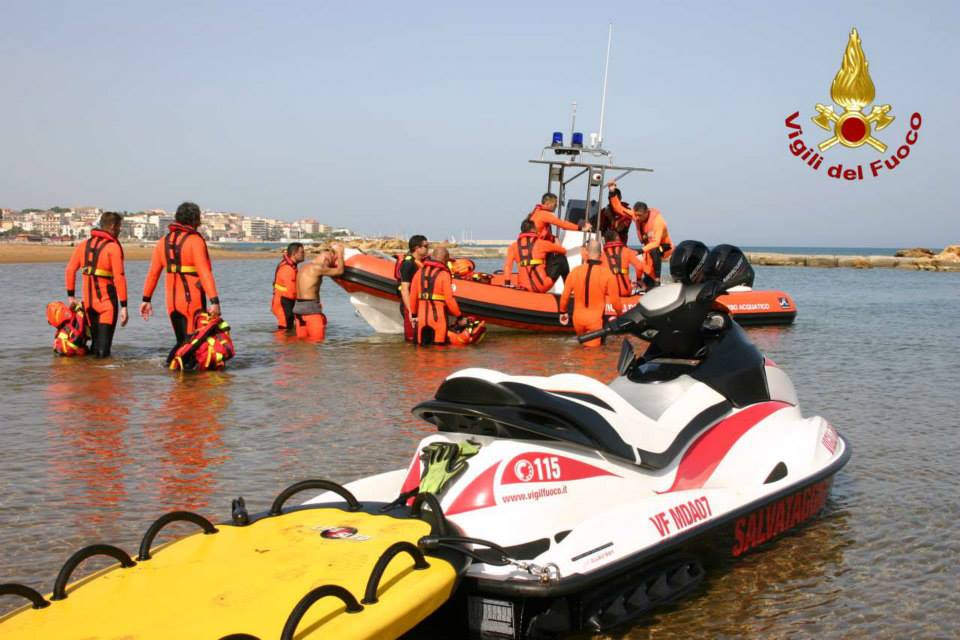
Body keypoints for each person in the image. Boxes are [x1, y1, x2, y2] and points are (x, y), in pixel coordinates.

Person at [141, 202, 220, 347]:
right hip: (191, 301)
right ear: (195, 220)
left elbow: (153, 274)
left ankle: (171, 368)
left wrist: (146, 299)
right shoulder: (195, 241)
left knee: (181, 343)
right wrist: (214, 301)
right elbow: (205, 273)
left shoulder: (163, 242)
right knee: (193, 344)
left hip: (172, 303)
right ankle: (176, 366)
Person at [64, 211, 128, 358]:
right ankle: (103, 379)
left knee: (94, 348)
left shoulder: (83, 245)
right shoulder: (113, 247)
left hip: (89, 306)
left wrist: (71, 297)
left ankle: (91, 378)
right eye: (119, 227)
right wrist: (124, 306)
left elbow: (69, 270)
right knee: (103, 352)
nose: (120, 230)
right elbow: (119, 277)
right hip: (107, 306)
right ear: (112, 226)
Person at [607, 181, 673, 287]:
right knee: (644, 268)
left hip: (664, 248)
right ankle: (643, 282)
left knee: (654, 251)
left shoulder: (658, 221)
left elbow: (656, 243)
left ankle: (657, 281)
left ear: (646, 212)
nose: (636, 218)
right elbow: (618, 208)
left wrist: (640, 250)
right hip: (648, 249)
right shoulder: (636, 216)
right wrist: (612, 191)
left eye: (639, 216)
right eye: (636, 215)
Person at [559, 240, 623, 347]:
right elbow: (615, 302)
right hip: (594, 322)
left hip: (577, 320)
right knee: (591, 357)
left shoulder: (575, 271)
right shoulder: (607, 274)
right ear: (601, 254)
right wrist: (620, 315)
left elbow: (564, 297)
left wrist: (562, 312)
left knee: (582, 351)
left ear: (587, 252)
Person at [526, 192, 591, 284]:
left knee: (557, 256)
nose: (556, 206)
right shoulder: (544, 214)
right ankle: (569, 286)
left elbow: (541, 231)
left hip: (533, 247)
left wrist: (553, 238)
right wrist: (581, 228)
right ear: (548, 204)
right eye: (555, 204)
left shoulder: (536, 213)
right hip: (538, 248)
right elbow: (562, 224)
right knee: (562, 259)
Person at [409, 247, 463, 345]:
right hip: (438, 319)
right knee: (439, 354)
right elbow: (449, 300)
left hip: (421, 319)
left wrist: (413, 315)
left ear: (432, 256)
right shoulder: (444, 275)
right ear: (445, 259)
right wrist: (460, 317)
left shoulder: (419, 272)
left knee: (420, 352)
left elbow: (412, 296)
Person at [294, 243, 344, 341]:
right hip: (311, 309)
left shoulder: (304, 267)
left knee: (302, 342)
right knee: (317, 342)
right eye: (331, 262)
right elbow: (339, 271)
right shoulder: (317, 268)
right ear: (325, 260)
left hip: (298, 309)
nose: (330, 265)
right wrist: (340, 253)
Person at [503, 219, 568, 292]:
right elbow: (563, 251)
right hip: (541, 286)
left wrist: (507, 283)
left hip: (523, 286)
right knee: (562, 259)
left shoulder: (513, 246)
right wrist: (556, 240)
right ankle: (569, 290)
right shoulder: (542, 243)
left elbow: (507, 266)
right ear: (533, 229)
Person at [396, 235, 429, 341]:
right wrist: (411, 311)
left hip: (421, 304)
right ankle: (409, 357)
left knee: (422, 337)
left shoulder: (424, 263)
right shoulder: (408, 264)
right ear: (416, 248)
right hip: (411, 305)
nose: (428, 248)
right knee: (412, 338)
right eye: (425, 246)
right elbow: (405, 289)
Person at [601, 228, 647, 296]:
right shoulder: (627, 251)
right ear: (617, 238)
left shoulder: (601, 255)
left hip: (608, 293)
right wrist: (639, 279)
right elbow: (640, 267)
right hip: (624, 291)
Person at [271, 242, 305, 332]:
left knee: (289, 329)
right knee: (284, 330)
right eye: (302, 252)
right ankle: (282, 345)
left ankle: (289, 345)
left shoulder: (291, 266)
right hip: (283, 302)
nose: (304, 255)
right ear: (294, 254)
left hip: (285, 301)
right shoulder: (287, 269)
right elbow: (291, 292)